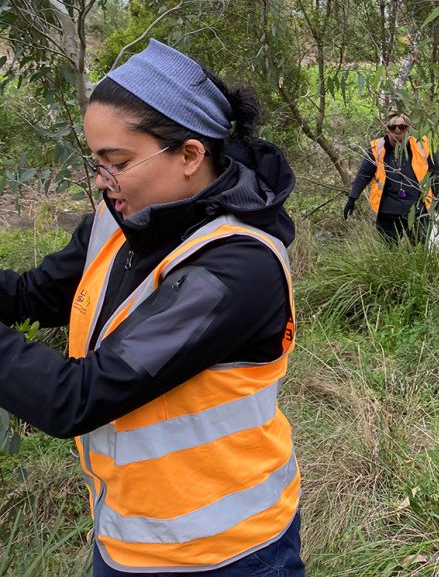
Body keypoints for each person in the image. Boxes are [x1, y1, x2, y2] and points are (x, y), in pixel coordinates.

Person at [0, 39, 303, 575]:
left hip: (226, 552)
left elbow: (79, 396)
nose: (101, 181)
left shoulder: (235, 269)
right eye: (96, 163)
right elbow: (34, 294)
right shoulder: (120, 220)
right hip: (127, 533)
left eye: (116, 162)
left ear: (189, 155)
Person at [343, 111, 439, 243]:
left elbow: (435, 175)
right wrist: (352, 198)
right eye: (393, 134)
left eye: (401, 132)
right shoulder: (377, 148)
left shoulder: (423, 145)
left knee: (421, 250)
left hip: (418, 210)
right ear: (387, 130)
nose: (397, 138)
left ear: (409, 129)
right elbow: (364, 174)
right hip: (387, 212)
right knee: (388, 251)